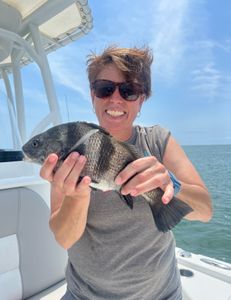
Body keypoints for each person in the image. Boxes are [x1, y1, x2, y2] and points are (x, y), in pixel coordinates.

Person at [40, 46, 212, 300]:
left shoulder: (156, 140)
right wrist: (77, 197)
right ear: (92, 95)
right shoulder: (71, 151)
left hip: (162, 294)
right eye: (105, 89)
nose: (115, 99)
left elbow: (206, 211)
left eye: (129, 91)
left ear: (141, 100)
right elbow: (64, 239)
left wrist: (170, 184)